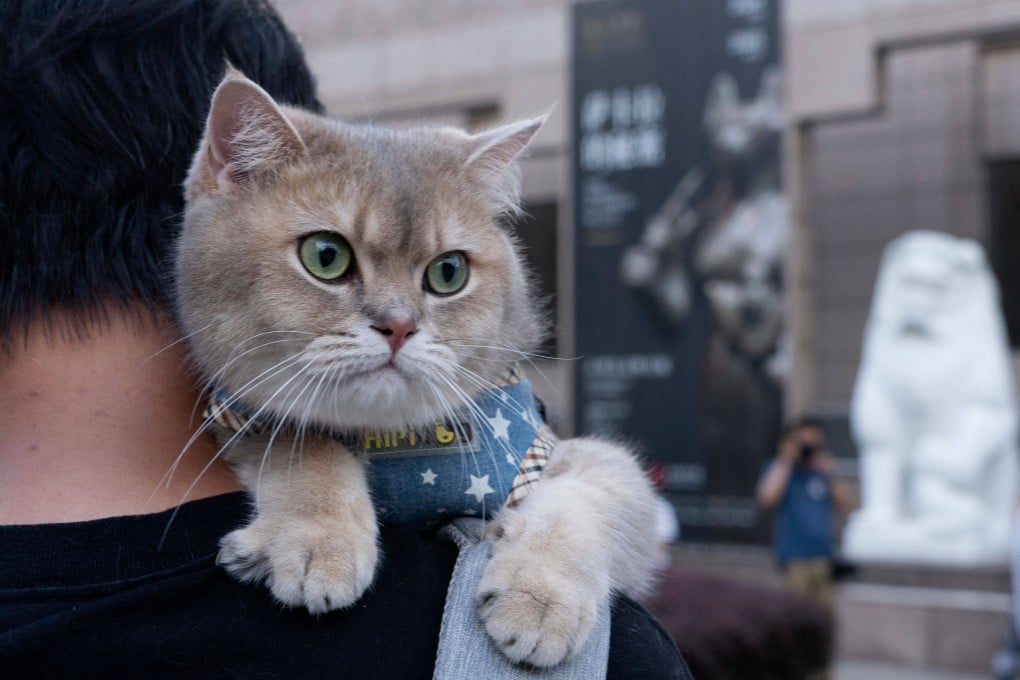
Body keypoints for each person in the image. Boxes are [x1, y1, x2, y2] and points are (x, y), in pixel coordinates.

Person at [0, 1, 690, 677]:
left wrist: (565, 540)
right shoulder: (620, 660)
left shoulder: (507, 437)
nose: (396, 320)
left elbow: (592, 477)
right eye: (329, 259)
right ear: (230, 173)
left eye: (445, 273)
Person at [756, 416, 853, 610]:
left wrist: (829, 473)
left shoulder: (820, 471)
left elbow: (845, 504)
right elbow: (767, 498)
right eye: (805, 443)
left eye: (814, 444)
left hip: (824, 558)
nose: (809, 449)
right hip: (794, 560)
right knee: (797, 616)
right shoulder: (780, 469)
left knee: (825, 617)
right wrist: (786, 460)